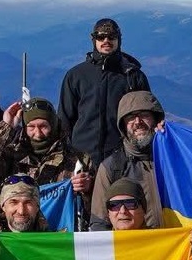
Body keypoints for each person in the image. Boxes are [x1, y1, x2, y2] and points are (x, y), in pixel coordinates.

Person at [0, 98, 90, 226]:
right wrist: (6, 126)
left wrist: (87, 190)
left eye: (43, 126)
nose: (37, 133)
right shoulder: (11, 155)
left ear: (54, 125)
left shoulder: (78, 160)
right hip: (16, 233)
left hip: (58, 235)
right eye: (31, 127)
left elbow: (96, 211)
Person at [55, 17, 151, 168]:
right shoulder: (76, 75)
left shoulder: (133, 76)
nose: (106, 40)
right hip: (82, 159)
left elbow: (148, 117)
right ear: (94, 40)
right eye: (101, 37)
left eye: (111, 37)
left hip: (122, 158)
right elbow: (65, 121)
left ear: (119, 40)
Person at [89, 91, 164, 228]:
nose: (138, 122)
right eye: (130, 117)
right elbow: (99, 223)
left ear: (156, 119)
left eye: (144, 115)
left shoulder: (174, 160)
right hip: (134, 247)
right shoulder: (112, 167)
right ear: (123, 125)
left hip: (178, 246)